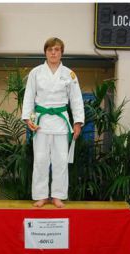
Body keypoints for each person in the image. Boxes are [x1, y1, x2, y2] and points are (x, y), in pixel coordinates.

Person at [22, 37, 85, 208]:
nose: (53, 53)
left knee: (60, 160)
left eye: (57, 50)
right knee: (41, 160)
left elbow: (76, 99)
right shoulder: (36, 73)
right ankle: (41, 195)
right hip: (41, 122)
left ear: (61, 52)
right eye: (50, 50)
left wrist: (78, 122)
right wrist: (28, 118)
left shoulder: (69, 74)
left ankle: (58, 195)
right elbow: (29, 96)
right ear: (45, 52)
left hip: (61, 122)